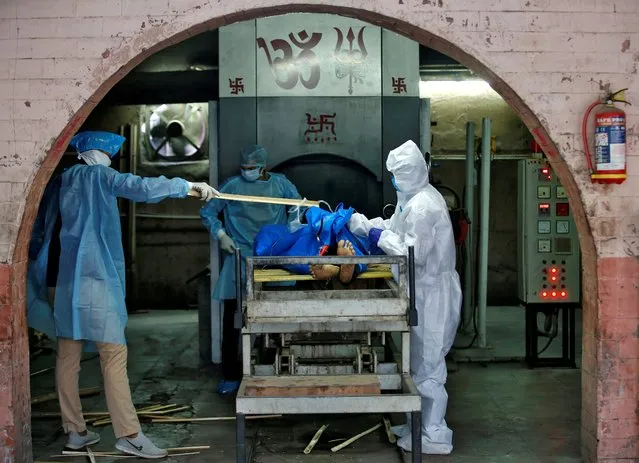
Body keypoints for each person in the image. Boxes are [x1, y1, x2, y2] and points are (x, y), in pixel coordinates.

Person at [29, 131, 217, 459]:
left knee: (67, 356)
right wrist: (187, 186)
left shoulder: (60, 181)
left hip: (62, 280)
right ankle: (129, 434)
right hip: (96, 278)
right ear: (103, 154)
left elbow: (40, 229)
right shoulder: (103, 177)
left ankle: (75, 431)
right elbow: (141, 187)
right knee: (113, 354)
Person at [348, 140, 462, 455]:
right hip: (419, 290)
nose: (394, 180)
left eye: (398, 175)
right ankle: (417, 422)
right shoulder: (411, 199)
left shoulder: (425, 205)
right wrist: (364, 225)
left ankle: (433, 433)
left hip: (431, 293)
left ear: (410, 173)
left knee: (428, 365)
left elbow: (413, 255)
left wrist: (375, 236)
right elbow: (396, 229)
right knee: (416, 362)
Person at [200, 144, 303, 395]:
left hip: (273, 256)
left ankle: (271, 369)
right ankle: (231, 375)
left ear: (262, 167)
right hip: (240, 257)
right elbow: (208, 212)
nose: (248, 172)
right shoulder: (231, 187)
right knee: (234, 322)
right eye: (244, 168)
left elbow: (299, 206)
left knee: (274, 319)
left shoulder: (280, 185)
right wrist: (221, 234)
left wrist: (292, 227)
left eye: (252, 168)